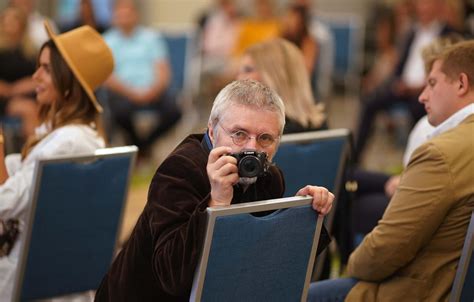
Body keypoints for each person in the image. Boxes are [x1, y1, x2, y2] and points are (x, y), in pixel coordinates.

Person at [95, 79, 334, 301]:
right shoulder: (181, 170)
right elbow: (171, 277)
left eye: (265, 138)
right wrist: (216, 203)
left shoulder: (269, 178)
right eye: (239, 134)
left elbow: (266, 263)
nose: (251, 149)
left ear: (278, 141)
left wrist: (303, 215)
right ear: (212, 131)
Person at [308, 40, 474, 301]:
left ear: (461, 84)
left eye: (432, 83)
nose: (422, 96)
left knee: (300, 295)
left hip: (420, 290)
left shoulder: (441, 152)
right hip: (455, 285)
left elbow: (386, 250)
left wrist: (351, 264)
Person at [0, 21, 114, 301]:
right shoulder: (72, 134)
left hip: (32, 279)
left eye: (47, 69)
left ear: (68, 84)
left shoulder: (68, 142)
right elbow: (21, 168)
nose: (35, 76)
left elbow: (5, 204)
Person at [354, 0, 456, 163]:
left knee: (419, 112)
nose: (423, 8)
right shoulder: (411, 33)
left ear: (439, 6)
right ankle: (354, 160)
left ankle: (415, 161)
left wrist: (417, 87)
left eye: (427, 4)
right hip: (402, 88)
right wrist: (396, 82)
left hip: (425, 90)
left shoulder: (449, 34)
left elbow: (447, 75)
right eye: (421, 4)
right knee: (370, 102)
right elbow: (400, 66)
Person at [102, 0, 181, 159]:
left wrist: (152, 90)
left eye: (128, 12)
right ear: (114, 16)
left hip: (153, 92)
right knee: (118, 112)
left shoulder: (151, 38)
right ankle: (142, 150)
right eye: (120, 12)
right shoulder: (106, 41)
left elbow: (164, 71)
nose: (124, 16)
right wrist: (132, 93)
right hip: (123, 93)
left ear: (136, 15)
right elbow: (107, 77)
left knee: (175, 111)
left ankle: (141, 147)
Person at [237, 38, 327, 134]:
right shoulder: (321, 126)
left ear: (274, 77)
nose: (238, 78)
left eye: (248, 70)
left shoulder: (259, 135)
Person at [0, 6, 38, 140]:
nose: (8, 24)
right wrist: (12, 90)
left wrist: (25, 86)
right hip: (5, 99)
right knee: (29, 109)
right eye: (6, 20)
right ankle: (32, 150)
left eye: (13, 20)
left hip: (30, 94)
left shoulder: (31, 51)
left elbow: (39, 76)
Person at [282, 3, 318, 75]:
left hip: (299, 81)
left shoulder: (309, 42)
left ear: (301, 22)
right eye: (287, 16)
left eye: (291, 17)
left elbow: (307, 69)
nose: (286, 20)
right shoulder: (281, 37)